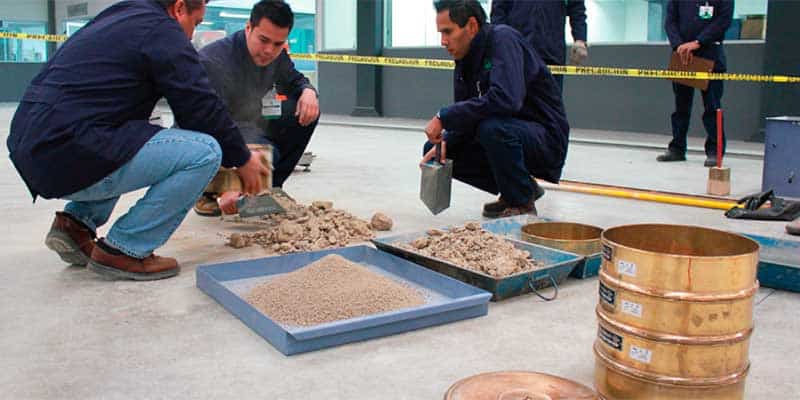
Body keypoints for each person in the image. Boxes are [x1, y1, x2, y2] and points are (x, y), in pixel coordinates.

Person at [6, 0, 268, 281]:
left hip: (33, 143)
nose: (191, 35)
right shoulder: (163, 30)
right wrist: (241, 158)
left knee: (128, 135)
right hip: (67, 150)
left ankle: (75, 225)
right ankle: (125, 249)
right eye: (196, 23)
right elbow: (199, 107)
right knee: (205, 152)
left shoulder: (124, 13)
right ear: (179, 8)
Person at [422, 0, 569, 218]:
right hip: (511, 133)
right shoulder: (464, 58)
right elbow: (466, 120)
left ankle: (522, 204)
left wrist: (444, 116)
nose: (443, 41)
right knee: (439, 150)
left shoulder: (503, 39)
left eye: (448, 32)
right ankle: (520, 188)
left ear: (471, 26)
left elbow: (507, 99)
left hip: (544, 138)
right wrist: (446, 141)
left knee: (492, 128)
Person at [195, 0, 320, 216]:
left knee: (301, 112)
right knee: (260, 149)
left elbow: (295, 79)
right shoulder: (215, 60)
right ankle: (210, 191)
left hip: (252, 121)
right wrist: (236, 176)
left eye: (278, 44)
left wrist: (309, 90)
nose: (269, 50)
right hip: (213, 131)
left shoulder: (277, 55)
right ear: (248, 28)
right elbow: (214, 124)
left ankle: (268, 188)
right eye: (263, 40)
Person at [657, 0, 733, 167]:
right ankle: (677, 148)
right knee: (680, 107)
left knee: (712, 107)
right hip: (683, 55)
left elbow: (724, 20)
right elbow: (670, 21)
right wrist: (679, 45)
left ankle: (715, 151)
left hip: (709, 53)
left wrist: (698, 42)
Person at [490, 0, 588, 91]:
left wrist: (580, 39)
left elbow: (577, 8)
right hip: (516, 54)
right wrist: (501, 43)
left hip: (551, 53)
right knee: (514, 105)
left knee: (550, 106)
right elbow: (498, 11)